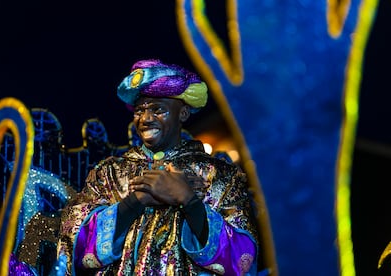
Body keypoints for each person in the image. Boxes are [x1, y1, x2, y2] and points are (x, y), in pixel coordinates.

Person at [56, 58, 259, 275]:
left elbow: (243, 257)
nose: (145, 118)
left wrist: (189, 201)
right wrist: (136, 201)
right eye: (139, 110)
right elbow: (71, 240)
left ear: (182, 113)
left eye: (157, 109)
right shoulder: (107, 174)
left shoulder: (220, 176)